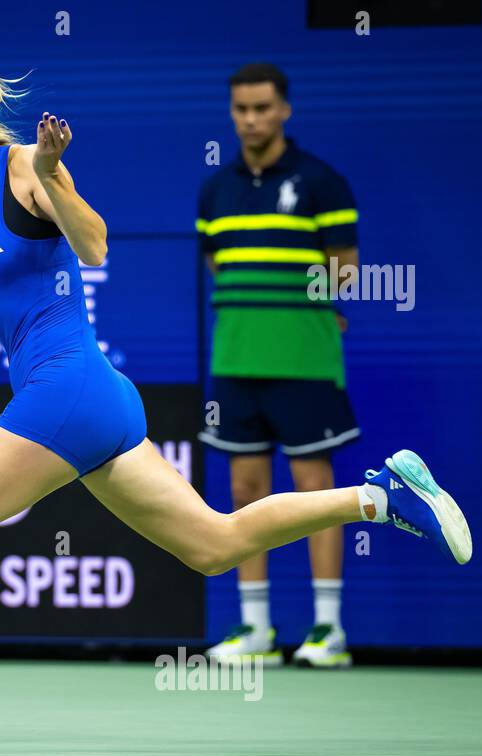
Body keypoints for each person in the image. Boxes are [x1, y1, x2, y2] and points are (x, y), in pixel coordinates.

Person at [0, 67, 471, 754]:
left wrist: (51, 175)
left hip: (69, 387)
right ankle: (382, 498)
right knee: (214, 547)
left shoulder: (22, 169)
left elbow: (94, 244)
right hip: (94, 398)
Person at [197, 62, 363, 668]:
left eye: (262, 108)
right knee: (244, 488)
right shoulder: (215, 190)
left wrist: (304, 311)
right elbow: (220, 266)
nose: (251, 119)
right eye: (241, 108)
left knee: (316, 489)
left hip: (304, 360)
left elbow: (345, 268)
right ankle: (257, 629)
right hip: (237, 359)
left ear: (284, 109)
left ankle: (328, 629)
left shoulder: (322, 182)